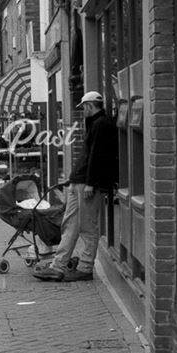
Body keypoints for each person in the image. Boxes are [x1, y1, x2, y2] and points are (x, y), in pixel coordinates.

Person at [33, 91, 119, 282]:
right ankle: (59, 266)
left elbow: (98, 156)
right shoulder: (97, 124)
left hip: (85, 184)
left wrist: (90, 183)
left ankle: (84, 266)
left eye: (84, 108)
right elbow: (92, 156)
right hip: (79, 182)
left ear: (90, 106)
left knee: (87, 227)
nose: (83, 112)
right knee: (70, 224)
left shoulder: (101, 125)